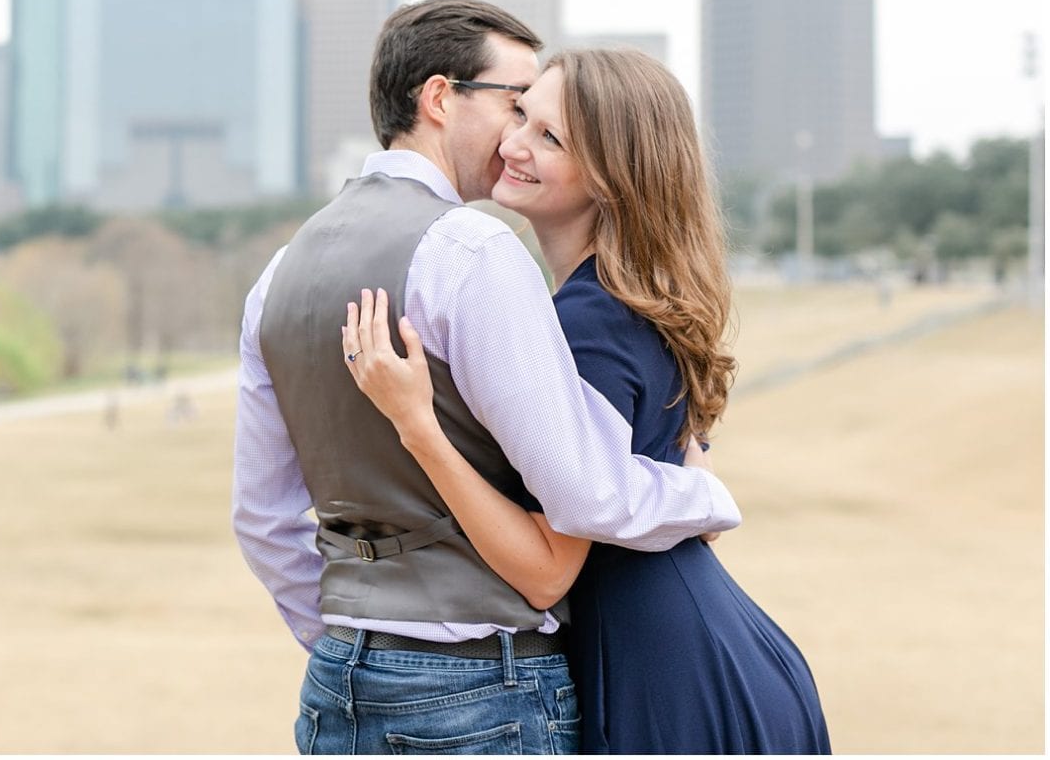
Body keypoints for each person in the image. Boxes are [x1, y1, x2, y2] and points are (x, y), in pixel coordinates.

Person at [233, 0, 742, 756]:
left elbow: (263, 521)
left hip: (337, 684)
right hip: (480, 687)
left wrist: (360, 642)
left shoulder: (279, 274)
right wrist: (702, 493)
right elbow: (582, 495)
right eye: (515, 103)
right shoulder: (473, 251)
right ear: (440, 98)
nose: (518, 134)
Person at [342, 47, 831, 754]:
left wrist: (418, 426)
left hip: (663, 669)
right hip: (702, 643)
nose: (513, 145)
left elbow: (563, 540)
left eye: (551, 138)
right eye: (520, 116)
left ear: (611, 177)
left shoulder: (586, 320)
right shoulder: (622, 298)